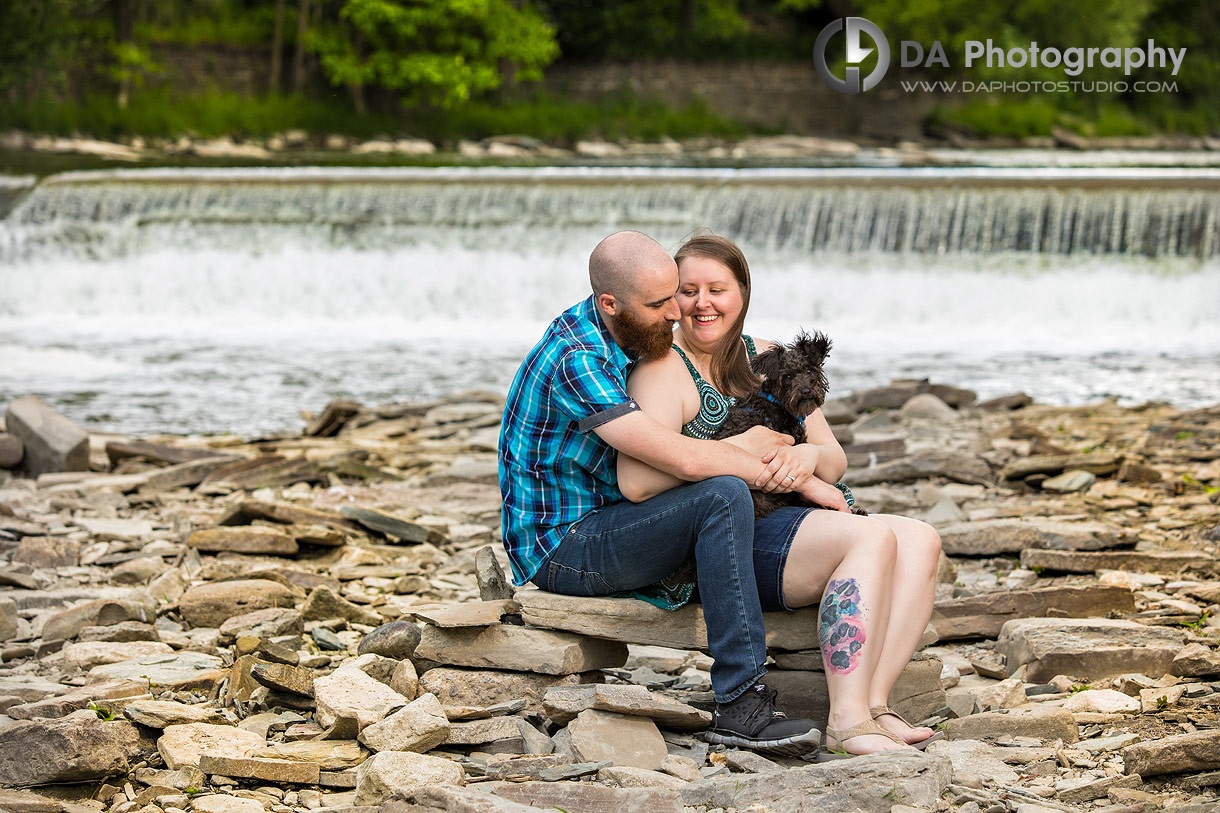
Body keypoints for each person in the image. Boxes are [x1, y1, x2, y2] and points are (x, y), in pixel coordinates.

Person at [617, 234, 944, 759]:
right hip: (722, 539)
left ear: (742, 293)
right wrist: (741, 461)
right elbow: (637, 483)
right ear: (671, 298)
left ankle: (876, 707)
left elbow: (835, 459)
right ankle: (846, 720)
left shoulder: (768, 358)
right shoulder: (662, 369)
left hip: (791, 521)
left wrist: (810, 459)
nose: (703, 303)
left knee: (922, 539)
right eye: (689, 290)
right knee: (869, 537)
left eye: (717, 289)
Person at [498, 230, 824, 755]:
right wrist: (786, 472)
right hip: (562, 549)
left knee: (721, 492)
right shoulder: (578, 359)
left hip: (612, 521)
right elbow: (679, 456)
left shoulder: (621, 329)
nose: (676, 311)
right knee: (721, 493)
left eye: (675, 294)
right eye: (659, 303)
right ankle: (739, 703)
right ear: (610, 303)